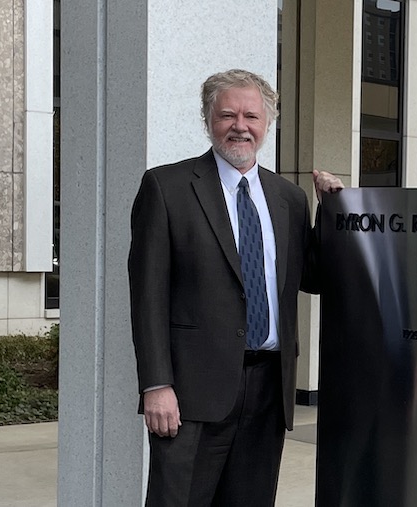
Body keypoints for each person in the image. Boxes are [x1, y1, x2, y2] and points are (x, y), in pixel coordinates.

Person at [127, 69, 343, 506]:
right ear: (209, 120)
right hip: (191, 393)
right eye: (227, 115)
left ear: (268, 124)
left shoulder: (289, 198)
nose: (240, 125)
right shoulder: (166, 187)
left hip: (268, 390)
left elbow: (313, 279)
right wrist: (156, 384)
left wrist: (334, 212)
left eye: (251, 116)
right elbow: (147, 294)